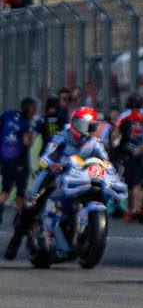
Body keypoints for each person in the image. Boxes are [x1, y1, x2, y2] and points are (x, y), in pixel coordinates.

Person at [5, 104, 103, 261]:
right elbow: (46, 155)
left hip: (80, 177)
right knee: (31, 203)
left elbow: (104, 160)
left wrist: (109, 167)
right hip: (56, 175)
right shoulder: (62, 136)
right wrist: (51, 164)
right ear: (74, 123)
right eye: (80, 125)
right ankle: (15, 241)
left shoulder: (95, 142)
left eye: (87, 126)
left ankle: (78, 237)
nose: (83, 130)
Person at [0, 98, 35, 239]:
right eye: (33, 108)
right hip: (19, 160)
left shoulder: (8, 114)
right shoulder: (26, 123)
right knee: (20, 191)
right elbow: (26, 142)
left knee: (5, 188)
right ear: (29, 109)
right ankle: (19, 218)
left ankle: (0, 207)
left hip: (5, 157)